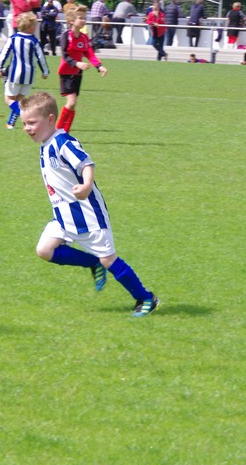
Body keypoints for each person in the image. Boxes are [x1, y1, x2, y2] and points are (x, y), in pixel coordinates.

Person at [17, 91, 160, 317]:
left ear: (51, 119)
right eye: (25, 124)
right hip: (64, 216)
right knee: (44, 250)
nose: (27, 128)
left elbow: (86, 164)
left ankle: (146, 298)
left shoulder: (63, 143)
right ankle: (93, 263)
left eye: (32, 123)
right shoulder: (46, 145)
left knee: (109, 259)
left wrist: (86, 185)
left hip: (88, 215)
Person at [56, 4, 107, 132]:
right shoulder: (66, 36)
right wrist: (77, 63)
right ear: (71, 21)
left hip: (77, 74)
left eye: (84, 18)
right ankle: (57, 130)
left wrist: (99, 66)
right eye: (81, 18)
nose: (83, 20)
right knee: (71, 102)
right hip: (66, 73)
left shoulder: (84, 38)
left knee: (73, 105)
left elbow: (90, 54)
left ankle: (65, 132)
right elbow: (65, 56)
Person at [0, 11, 49, 130]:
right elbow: (41, 58)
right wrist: (45, 71)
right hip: (29, 76)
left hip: (15, 74)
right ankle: (11, 124)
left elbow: (4, 54)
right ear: (28, 27)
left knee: (9, 99)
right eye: (34, 25)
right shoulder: (34, 41)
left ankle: (27, 118)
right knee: (18, 100)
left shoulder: (13, 39)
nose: (36, 27)